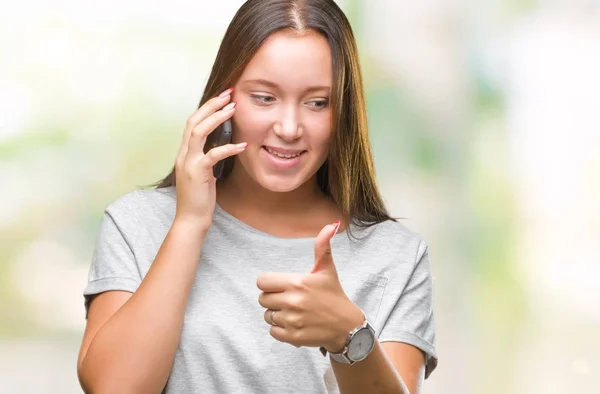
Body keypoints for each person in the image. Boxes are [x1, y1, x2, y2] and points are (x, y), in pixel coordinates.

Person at [77, 0, 438, 393]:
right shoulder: (138, 223)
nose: (288, 127)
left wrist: (348, 337)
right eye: (264, 98)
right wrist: (189, 224)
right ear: (223, 102)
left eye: (317, 102)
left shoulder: (395, 254)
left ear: (343, 113)